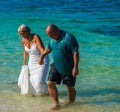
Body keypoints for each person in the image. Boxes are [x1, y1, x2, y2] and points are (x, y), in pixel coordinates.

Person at [39, 24, 79, 110]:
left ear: (56, 30)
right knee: (50, 83)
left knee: (70, 87)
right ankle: (56, 103)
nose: (50, 37)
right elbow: (49, 47)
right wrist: (42, 56)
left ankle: (71, 103)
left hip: (68, 67)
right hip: (56, 64)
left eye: (51, 35)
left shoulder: (68, 37)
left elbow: (75, 52)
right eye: (49, 35)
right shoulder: (52, 37)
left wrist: (75, 67)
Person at [18, 24, 49, 95]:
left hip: (42, 60)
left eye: (23, 34)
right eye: (21, 35)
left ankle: (49, 93)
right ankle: (39, 95)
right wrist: (24, 63)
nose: (22, 36)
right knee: (31, 81)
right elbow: (25, 52)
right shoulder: (23, 40)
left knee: (39, 81)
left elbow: (42, 49)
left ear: (28, 31)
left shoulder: (35, 37)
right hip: (31, 62)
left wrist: (41, 58)